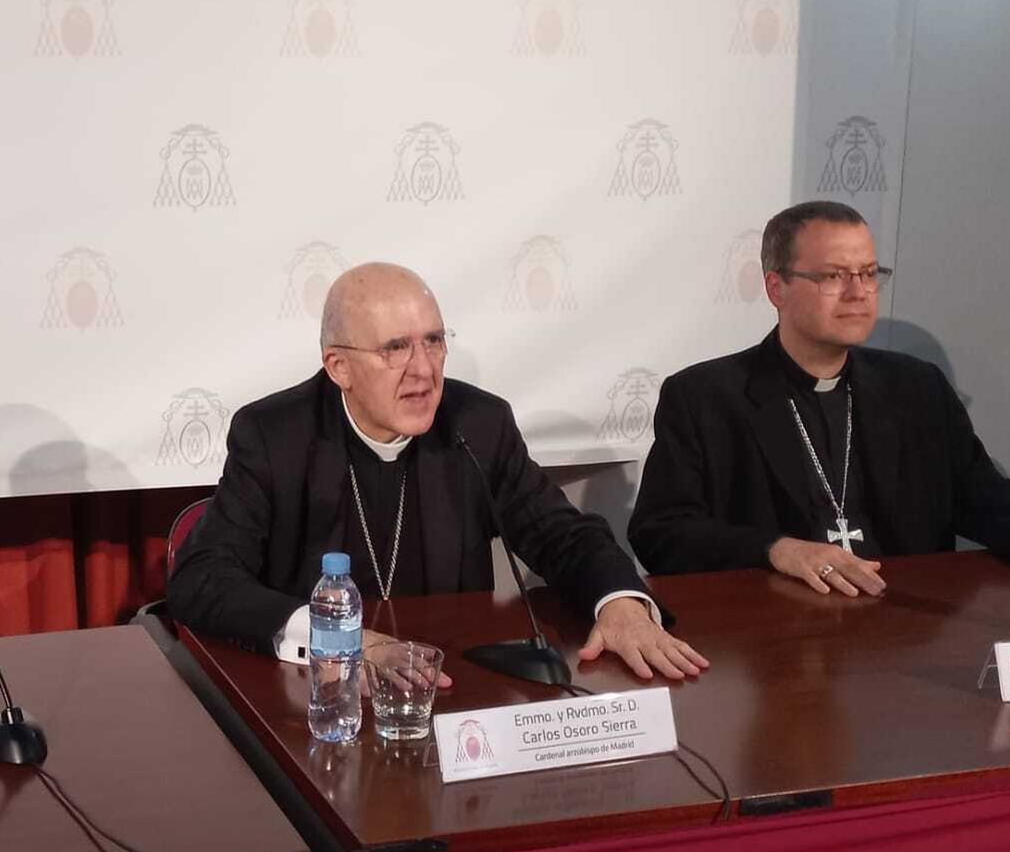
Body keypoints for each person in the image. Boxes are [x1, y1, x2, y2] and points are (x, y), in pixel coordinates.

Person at [168, 262, 706, 681]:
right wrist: (342, 637)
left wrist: (621, 602)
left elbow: (561, 533)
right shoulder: (274, 436)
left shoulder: (477, 424)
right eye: (395, 348)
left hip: (453, 684)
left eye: (434, 340)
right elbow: (203, 579)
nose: (424, 370)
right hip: (320, 696)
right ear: (339, 367)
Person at [630, 201, 1010, 592]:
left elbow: (988, 501)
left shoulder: (917, 389)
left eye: (868, 273)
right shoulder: (705, 397)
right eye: (833, 276)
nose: (858, 292)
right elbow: (661, 531)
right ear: (777, 288)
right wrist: (775, 549)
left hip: (904, 628)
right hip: (773, 636)